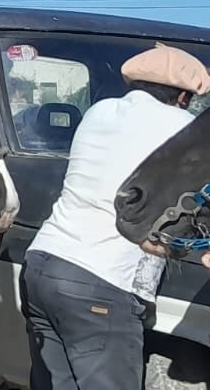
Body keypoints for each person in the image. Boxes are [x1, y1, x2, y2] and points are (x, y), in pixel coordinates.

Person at [20, 43, 210, 390]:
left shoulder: (99, 112)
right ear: (184, 97)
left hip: (42, 265)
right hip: (102, 281)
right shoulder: (183, 130)